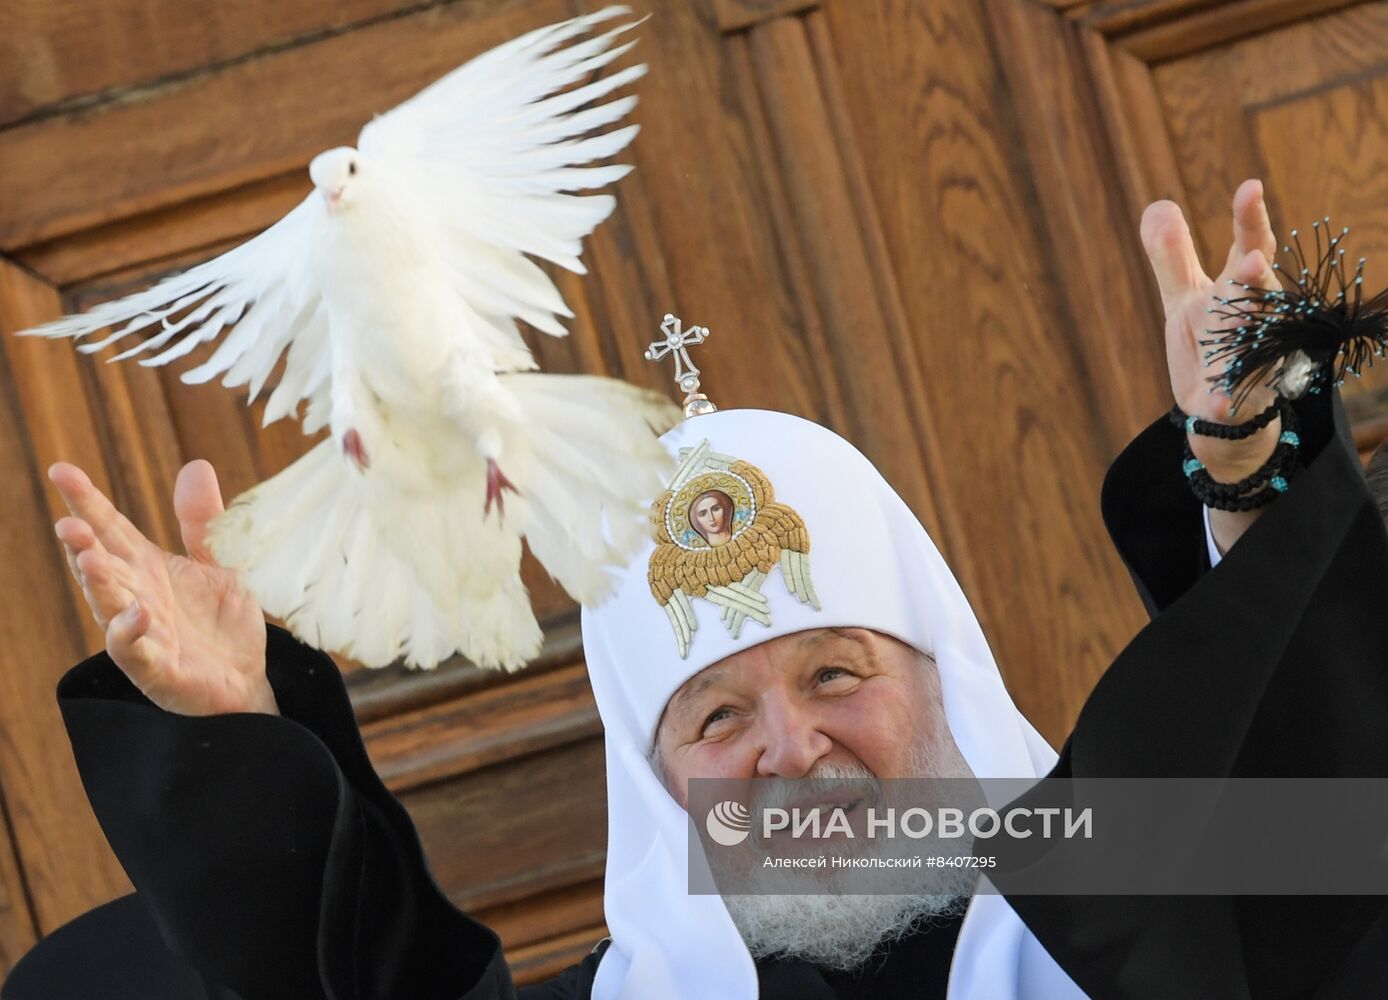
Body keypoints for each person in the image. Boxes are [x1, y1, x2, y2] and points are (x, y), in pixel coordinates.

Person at [5, 178, 1387, 999]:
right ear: (657, 776)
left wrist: (1246, 455)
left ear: (938, 672)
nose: (792, 752)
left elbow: (1330, 827)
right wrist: (238, 734)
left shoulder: (1145, 906)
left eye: (836, 673)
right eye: (716, 719)